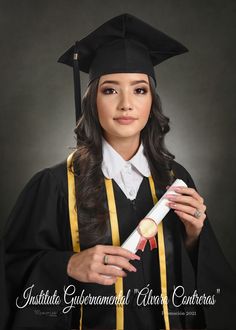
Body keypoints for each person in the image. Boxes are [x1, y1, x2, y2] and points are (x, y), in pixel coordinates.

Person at [0, 13, 235, 330]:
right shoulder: (55, 186)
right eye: (110, 90)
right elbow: (11, 269)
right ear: (92, 101)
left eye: (139, 90)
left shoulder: (174, 180)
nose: (126, 104)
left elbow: (207, 289)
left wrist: (193, 238)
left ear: (152, 100)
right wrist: (67, 264)